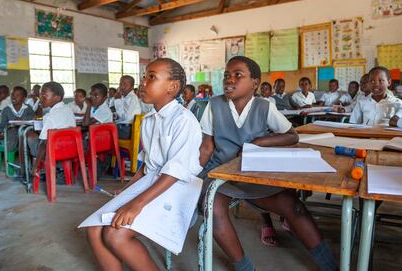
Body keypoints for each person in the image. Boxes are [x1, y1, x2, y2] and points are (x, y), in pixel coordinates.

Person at [199, 56, 337, 271]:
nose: (229, 80)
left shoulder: (264, 106)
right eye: (227, 75)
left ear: (254, 83)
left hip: (254, 172)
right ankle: (245, 267)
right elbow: (206, 147)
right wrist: (191, 175)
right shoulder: (213, 105)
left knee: (294, 207)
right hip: (220, 174)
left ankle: (329, 266)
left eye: (238, 75)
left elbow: (292, 136)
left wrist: (259, 142)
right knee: (212, 209)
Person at [86, 58, 202, 271]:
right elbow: (147, 165)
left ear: (172, 87)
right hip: (152, 184)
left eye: (151, 77)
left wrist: (136, 203)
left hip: (177, 189)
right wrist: (127, 190)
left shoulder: (183, 120)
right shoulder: (149, 119)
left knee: (115, 234)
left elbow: (174, 173)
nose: (143, 82)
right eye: (144, 77)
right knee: (94, 227)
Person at [27, 82, 76, 178]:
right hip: (70, 149)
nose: (41, 98)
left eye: (45, 95)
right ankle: (59, 169)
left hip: (53, 152)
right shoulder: (68, 109)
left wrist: (36, 165)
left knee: (29, 135)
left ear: (57, 97)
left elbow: (43, 144)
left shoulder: (50, 116)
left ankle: (32, 170)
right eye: (40, 94)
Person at [0, 86, 35, 155]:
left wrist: (23, 119)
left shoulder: (28, 108)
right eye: (12, 95)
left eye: (17, 95)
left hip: (25, 133)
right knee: (12, 142)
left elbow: (32, 117)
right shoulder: (6, 110)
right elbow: (1, 125)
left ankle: (29, 160)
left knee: (30, 140)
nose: (14, 97)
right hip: (10, 134)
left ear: (23, 98)